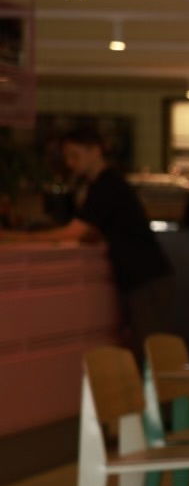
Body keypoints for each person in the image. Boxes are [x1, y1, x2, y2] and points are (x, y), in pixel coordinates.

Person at [1, 127, 175, 349]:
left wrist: (14, 238)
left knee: (151, 348)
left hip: (146, 278)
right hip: (140, 277)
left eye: (75, 155)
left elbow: (75, 233)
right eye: (67, 157)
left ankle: (156, 385)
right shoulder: (98, 185)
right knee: (142, 346)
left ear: (95, 151)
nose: (71, 163)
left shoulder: (107, 185)